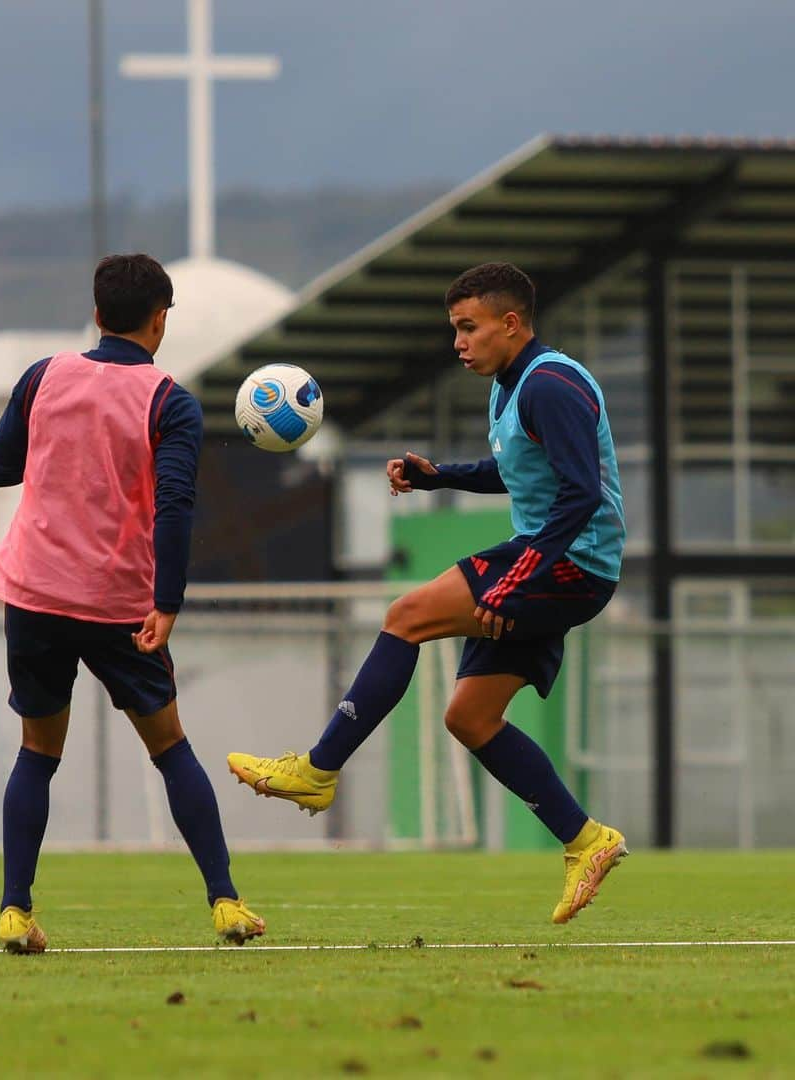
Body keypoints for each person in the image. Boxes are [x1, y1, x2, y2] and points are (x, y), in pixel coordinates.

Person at [228, 262, 627, 924]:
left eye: (469, 328)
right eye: (455, 329)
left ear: (511, 323)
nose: (458, 343)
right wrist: (439, 476)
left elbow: (582, 493)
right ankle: (587, 841)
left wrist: (522, 574)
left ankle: (318, 770)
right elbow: (517, 470)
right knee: (469, 718)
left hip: (569, 564)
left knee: (406, 614)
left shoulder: (552, 384)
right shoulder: (513, 385)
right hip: (554, 561)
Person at [0, 253, 264, 952]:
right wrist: (167, 602)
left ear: (99, 310)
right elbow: (174, 504)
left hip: (35, 592)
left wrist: (57, 446)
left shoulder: (44, 376)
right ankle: (225, 903)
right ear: (160, 318)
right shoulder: (171, 402)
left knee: (37, 754)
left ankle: (15, 910)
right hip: (117, 605)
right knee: (170, 747)